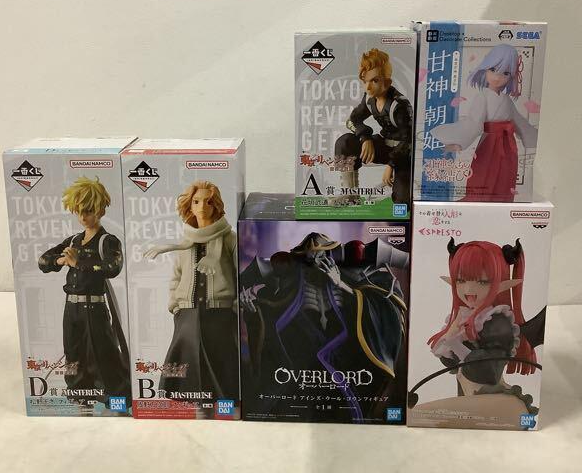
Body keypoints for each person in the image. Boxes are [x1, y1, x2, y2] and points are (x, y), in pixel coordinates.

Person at [239, 233, 408, 423]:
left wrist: (341, 284)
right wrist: (253, 310)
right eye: (309, 257)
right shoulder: (290, 273)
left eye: (320, 255)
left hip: (345, 358)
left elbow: (384, 297)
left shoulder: (350, 267)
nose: (315, 261)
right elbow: (260, 302)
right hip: (303, 361)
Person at [38, 176, 131, 406]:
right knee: (73, 351)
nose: (82, 216)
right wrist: (60, 261)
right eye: (78, 211)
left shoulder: (107, 241)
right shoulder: (74, 240)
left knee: (102, 351)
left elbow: (113, 267)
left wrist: (78, 263)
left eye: (88, 211)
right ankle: (79, 394)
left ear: (100, 210)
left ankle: (115, 397)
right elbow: (43, 261)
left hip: (94, 307)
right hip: (71, 307)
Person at [144, 181, 238, 401]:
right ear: (189, 206)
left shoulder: (230, 239)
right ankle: (189, 399)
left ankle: (222, 402)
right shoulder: (185, 242)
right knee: (185, 359)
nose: (202, 207)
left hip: (219, 313)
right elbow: (177, 276)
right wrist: (175, 306)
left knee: (221, 360)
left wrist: (234, 306)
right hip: (187, 312)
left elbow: (240, 273)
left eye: (208, 202)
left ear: (216, 206)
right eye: (196, 202)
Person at [427, 238, 538, 414]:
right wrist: (451, 337)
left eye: (482, 282)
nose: (468, 290)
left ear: (500, 284)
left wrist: (454, 343)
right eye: (461, 280)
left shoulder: (497, 322)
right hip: (467, 395)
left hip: (492, 396)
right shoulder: (462, 317)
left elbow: (488, 370)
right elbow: (451, 363)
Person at [431, 44, 537, 201]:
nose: (497, 77)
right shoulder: (483, 97)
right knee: (484, 172)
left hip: (508, 144)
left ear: (511, 76)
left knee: (505, 175)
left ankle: (501, 202)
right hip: (489, 143)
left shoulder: (506, 100)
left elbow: (519, 121)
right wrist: (459, 142)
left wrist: (534, 136)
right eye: (493, 70)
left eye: (505, 73)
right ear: (485, 69)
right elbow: (474, 122)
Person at [334, 48, 412, 205]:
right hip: (383, 145)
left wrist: (391, 165)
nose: (368, 87)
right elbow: (353, 119)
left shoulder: (399, 105)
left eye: (374, 81)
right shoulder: (369, 98)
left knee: (402, 202)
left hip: (403, 153)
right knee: (345, 142)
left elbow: (408, 140)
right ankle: (350, 195)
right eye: (365, 81)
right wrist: (365, 138)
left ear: (387, 82)